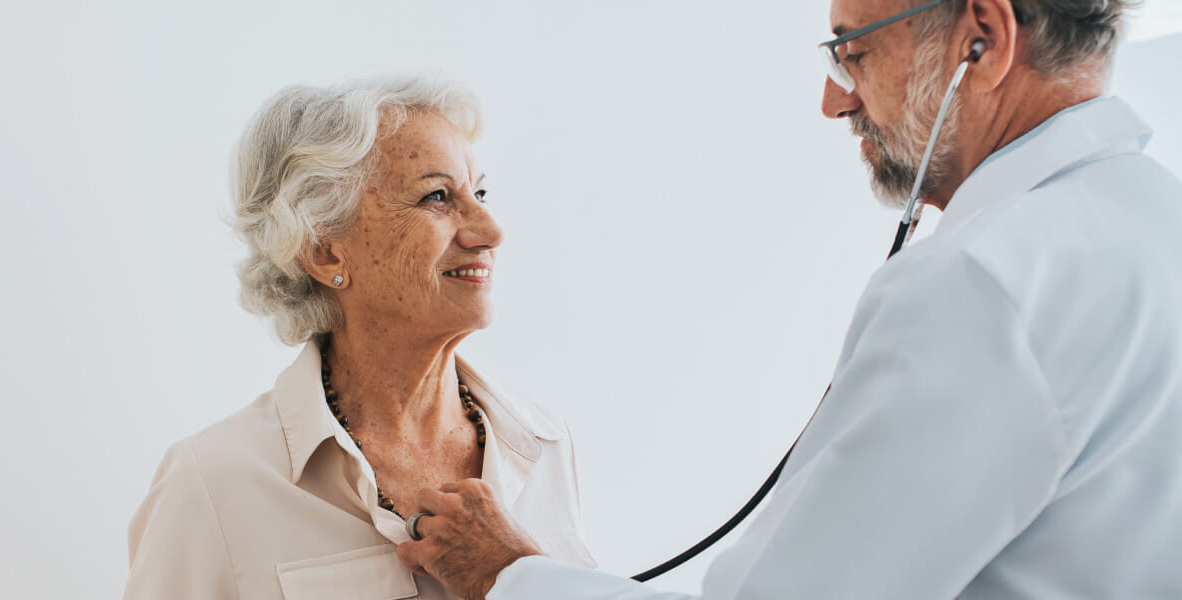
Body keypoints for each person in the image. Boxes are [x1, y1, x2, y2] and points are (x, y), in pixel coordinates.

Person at [395, 0, 1182, 598]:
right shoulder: (1152, 221)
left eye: (855, 54)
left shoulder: (981, 281)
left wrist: (513, 576)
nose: (834, 102)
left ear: (985, 36)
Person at [123, 75, 596, 599]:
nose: (489, 228)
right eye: (438, 197)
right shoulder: (212, 482)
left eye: (479, 192)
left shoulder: (543, 445)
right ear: (324, 252)